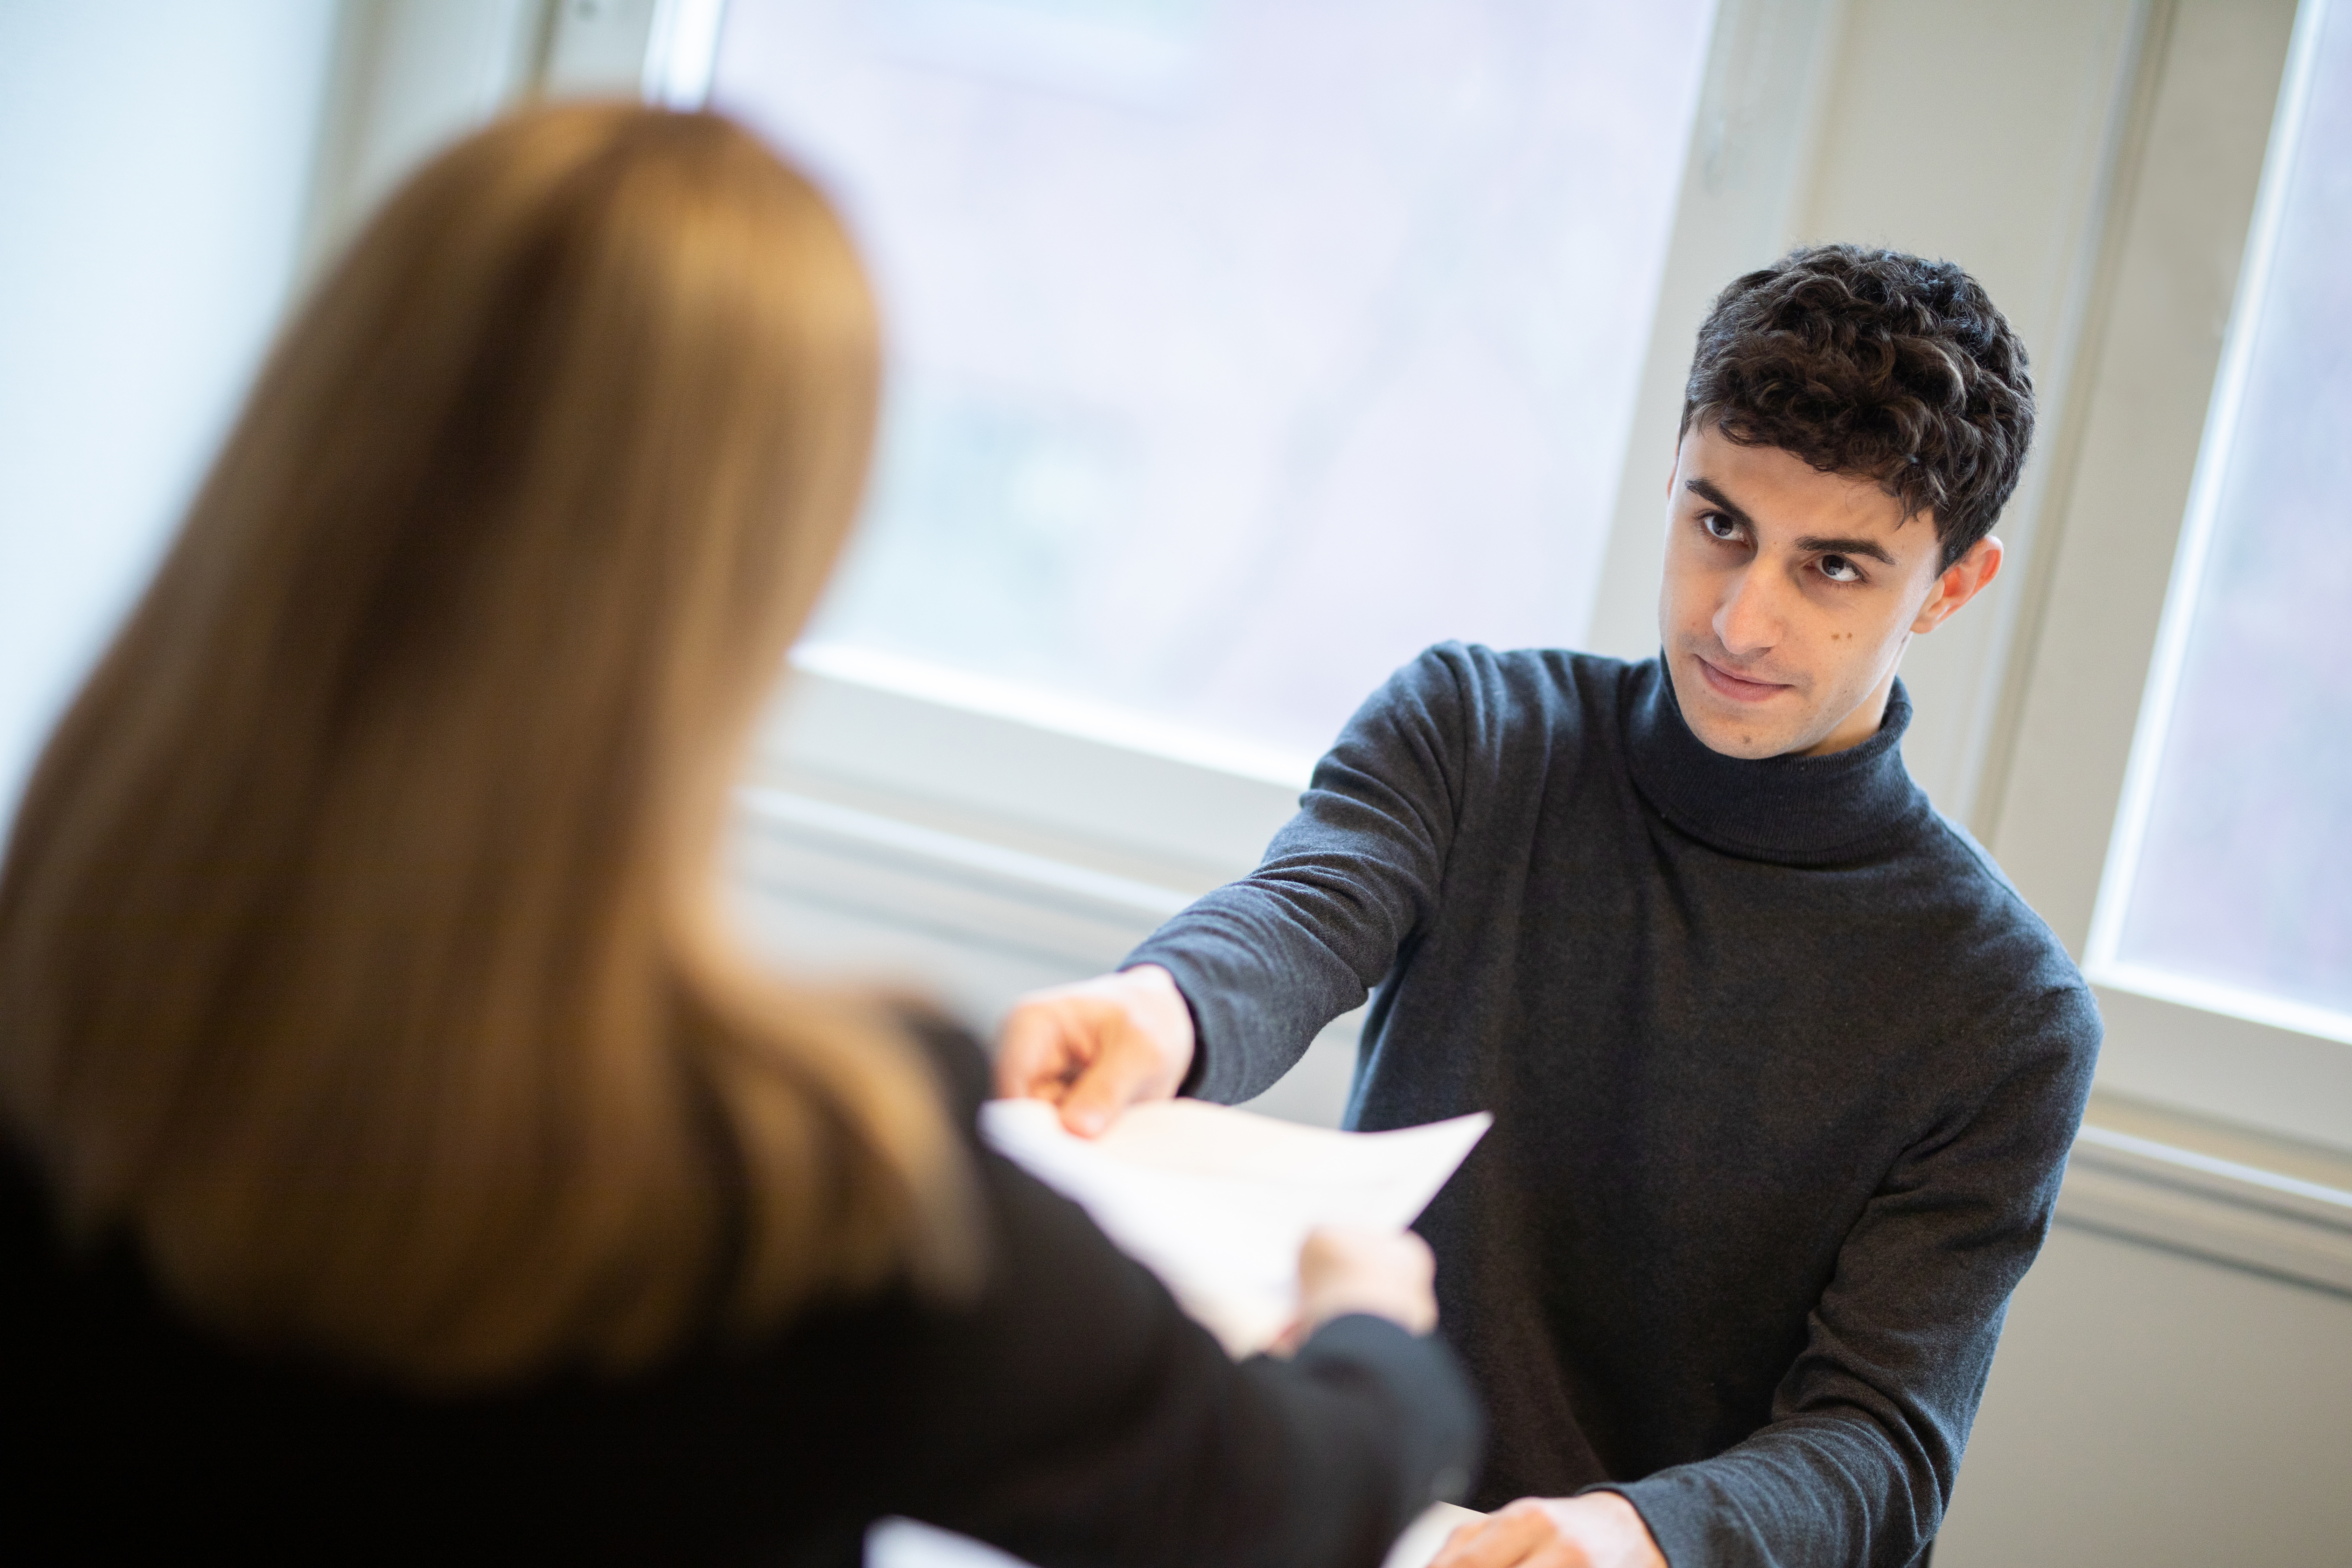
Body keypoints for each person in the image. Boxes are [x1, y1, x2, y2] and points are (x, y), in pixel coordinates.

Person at [0, 104, 1478, 1566]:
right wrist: (1371, 1323)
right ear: (751, 585)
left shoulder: (73, 1028)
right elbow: (1296, 1500)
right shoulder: (814, 1191)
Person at [996, 246, 2102, 1568]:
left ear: (1957, 584)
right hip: (1365, 1498)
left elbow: (1882, 1443)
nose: (1742, 620)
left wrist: (1639, 1535)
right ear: (1676, 475)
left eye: (1834, 571)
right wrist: (1159, 1007)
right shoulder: (1476, 729)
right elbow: (1304, 912)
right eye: (1720, 525)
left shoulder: (2006, 1014)